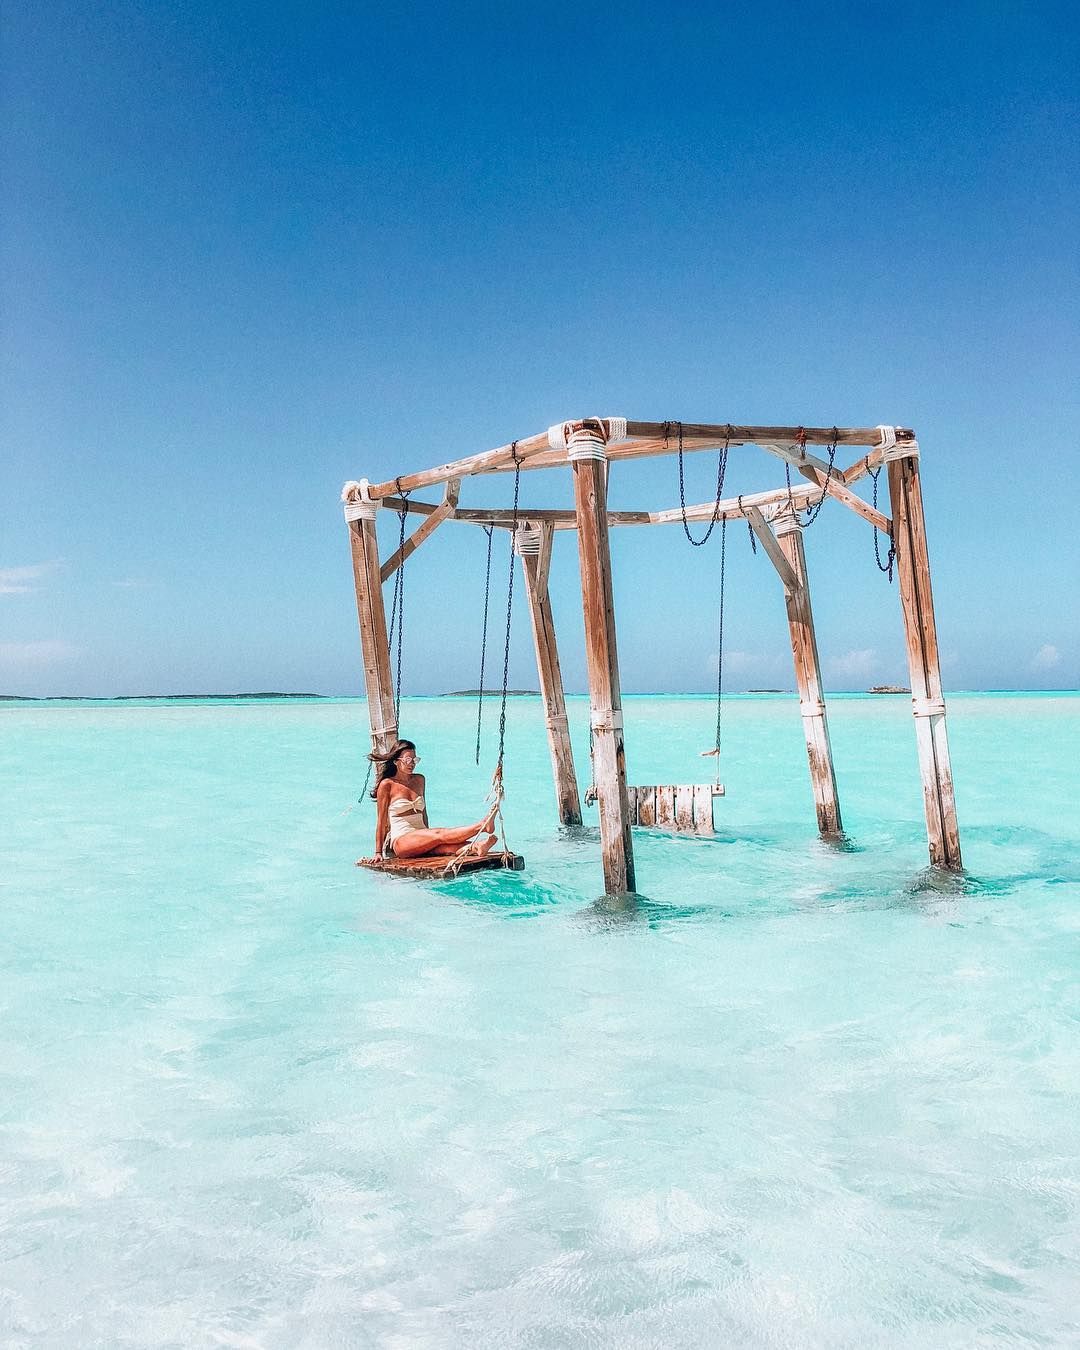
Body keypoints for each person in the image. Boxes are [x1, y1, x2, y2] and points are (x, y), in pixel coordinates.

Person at [364, 739, 497, 862]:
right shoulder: (387, 785)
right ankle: (482, 826)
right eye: (408, 759)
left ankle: (477, 846)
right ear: (396, 761)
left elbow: (424, 813)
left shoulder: (419, 780)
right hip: (402, 841)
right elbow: (381, 822)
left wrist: (428, 839)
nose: (412, 764)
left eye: (415, 760)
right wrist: (378, 852)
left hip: (422, 835)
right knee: (439, 834)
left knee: (446, 847)